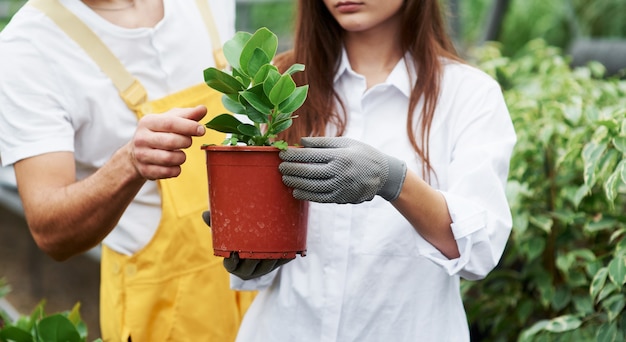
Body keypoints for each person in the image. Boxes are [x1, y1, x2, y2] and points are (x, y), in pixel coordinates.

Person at [215, 0, 517, 341]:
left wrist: (393, 181)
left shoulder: (468, 94)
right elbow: (252, 265)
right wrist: (248, 251)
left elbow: (479, 250)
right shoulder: (273, 89)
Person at [0, 0, 255, 340]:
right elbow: (51, 232)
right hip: (162, 307)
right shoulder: (29, 47)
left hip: (259, 278)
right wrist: (128, 164)